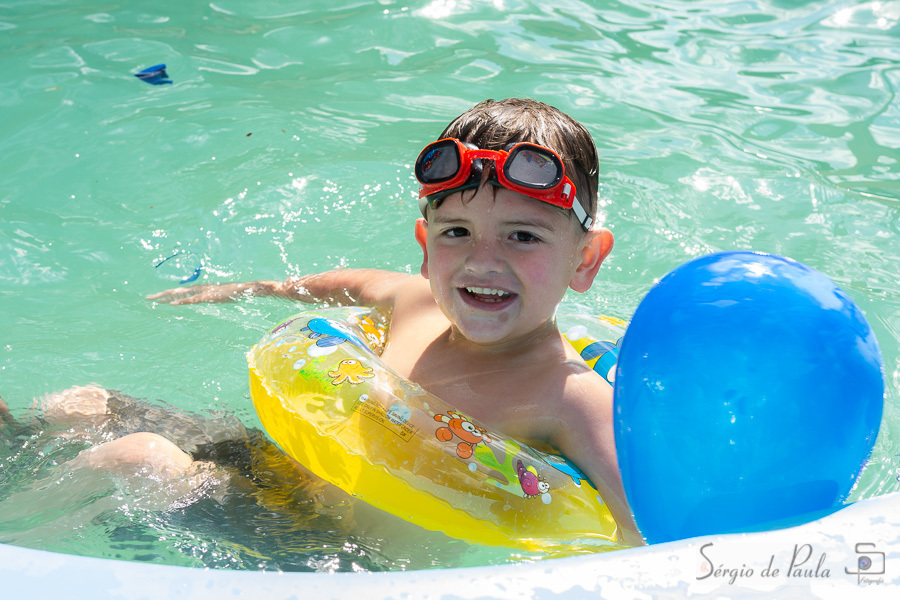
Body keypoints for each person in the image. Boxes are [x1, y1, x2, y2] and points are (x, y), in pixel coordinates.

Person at [148, 98, 641, 545]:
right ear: (426, 248)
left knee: (138, 457)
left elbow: (646, 530)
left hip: (330, 549)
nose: (482, 260)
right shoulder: (419, 302)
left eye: (523, 237)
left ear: (585, 259)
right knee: (85, 406)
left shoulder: (570, 397)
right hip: (284, 476)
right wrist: (252, 289)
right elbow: (356, 282)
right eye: (457, 232)